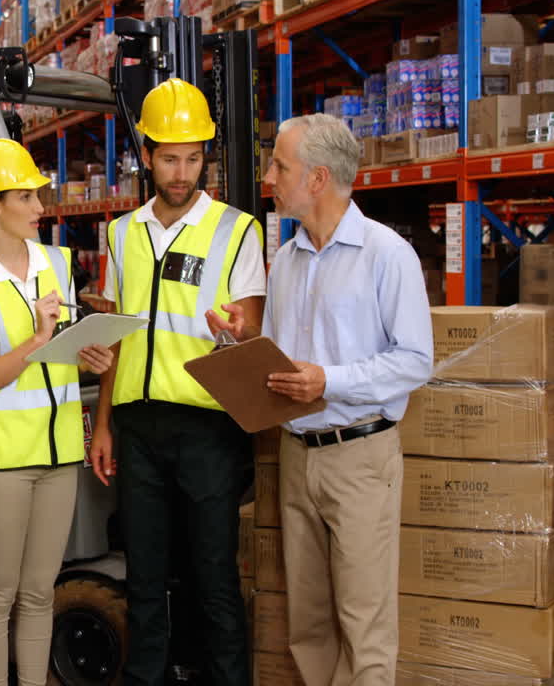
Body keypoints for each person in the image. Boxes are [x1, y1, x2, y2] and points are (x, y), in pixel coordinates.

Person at [215, 113, 433, 686]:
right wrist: (245, 340)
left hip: (359, 457)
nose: (269, 177)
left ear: (316, 179)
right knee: (308, 622)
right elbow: (286, 359)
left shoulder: (386, 255)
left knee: (364, 623)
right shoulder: (286, 261)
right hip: (297, 455)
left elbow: (415, 360)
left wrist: (327, 382)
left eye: (279, 167)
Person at [88, 78, 266, 686]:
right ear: (146, 155)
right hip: (137, 428)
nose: (182, 172)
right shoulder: (120, 233)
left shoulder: (237, 230)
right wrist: (105, 425)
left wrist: (236, 330)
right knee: (143, 575)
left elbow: (251, 330)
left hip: (207, 428)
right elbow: (113, 336)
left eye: (193, 158)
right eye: (169, 158)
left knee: (213, 577)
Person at [0, 139, 115, 686]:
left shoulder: (57, 264)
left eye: (37, 195)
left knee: (40, 591)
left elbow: (59, 353)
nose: (40, 206)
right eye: (26, 196)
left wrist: (88, 352)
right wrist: (40, 338)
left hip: (59, 452)